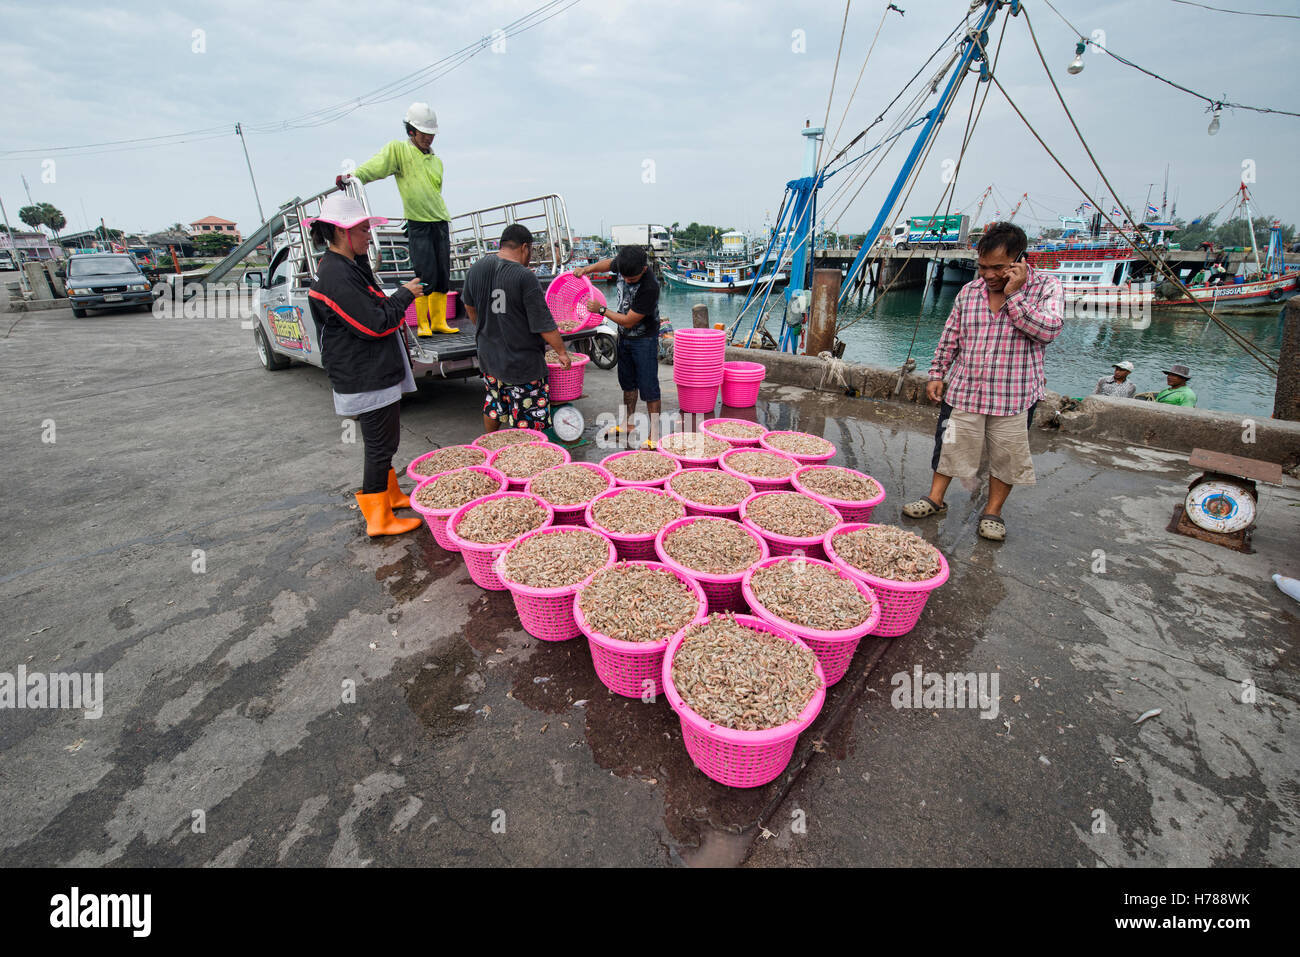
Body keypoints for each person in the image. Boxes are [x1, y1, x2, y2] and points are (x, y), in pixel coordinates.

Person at [901, 221, 1064, 542]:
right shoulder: (969, 291)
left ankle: (993, 512)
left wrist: (1014, 296)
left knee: (1007, 456)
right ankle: (935, 499)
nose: (988, 275)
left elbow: (1049, 331)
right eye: (983, 267)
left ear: (1020, 260)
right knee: (949, 446)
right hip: (964, 390)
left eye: (998, 268)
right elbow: (951, 336)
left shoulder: (1047, 287)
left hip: (1014, 395)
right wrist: (937, 373)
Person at [306, 194, 424, 537]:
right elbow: (374, 324)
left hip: (373, 372)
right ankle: (378, 518)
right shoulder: (335, 275)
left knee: (386, 442)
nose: (368, 236)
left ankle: (389, 495)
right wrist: (404, 295)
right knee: (379, 445)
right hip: (363, 375)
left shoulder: (349, 266)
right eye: (363, 230)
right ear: (343, 233)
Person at [342, 102, 456, 337]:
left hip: (440, 220)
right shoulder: (399, 151)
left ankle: (438, 321)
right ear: (412, 131)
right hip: (418, 221)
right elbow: (377, 166)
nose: (428, 139)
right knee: (425, 274)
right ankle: (424, 324)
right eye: (424, 134)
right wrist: (354, 176)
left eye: (432, 135)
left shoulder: (437, 161)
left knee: (443, 272)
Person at [462, 224, 571, 434]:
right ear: (524, 248)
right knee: (529, 417)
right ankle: (526, 456)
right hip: (522, 364)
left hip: (489, 357)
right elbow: (543, 324)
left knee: (495, 405)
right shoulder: (524, 276)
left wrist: (484, 328)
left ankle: (491, 444)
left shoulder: (476, 268)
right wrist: (561, 352)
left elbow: (469, 306)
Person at [575, 246, 662, 447]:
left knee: (649, 388)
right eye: (624, 276)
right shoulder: (624, 264)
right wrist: (587, 269)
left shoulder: (650, 287)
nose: (627, 280)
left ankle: (655, 435)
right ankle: (627, 424)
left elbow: (629, 321)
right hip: (625, 338)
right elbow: (608, 264)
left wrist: (601, 310)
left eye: (632, 278)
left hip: (644, 340)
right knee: (627, 384)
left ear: (643, 269)